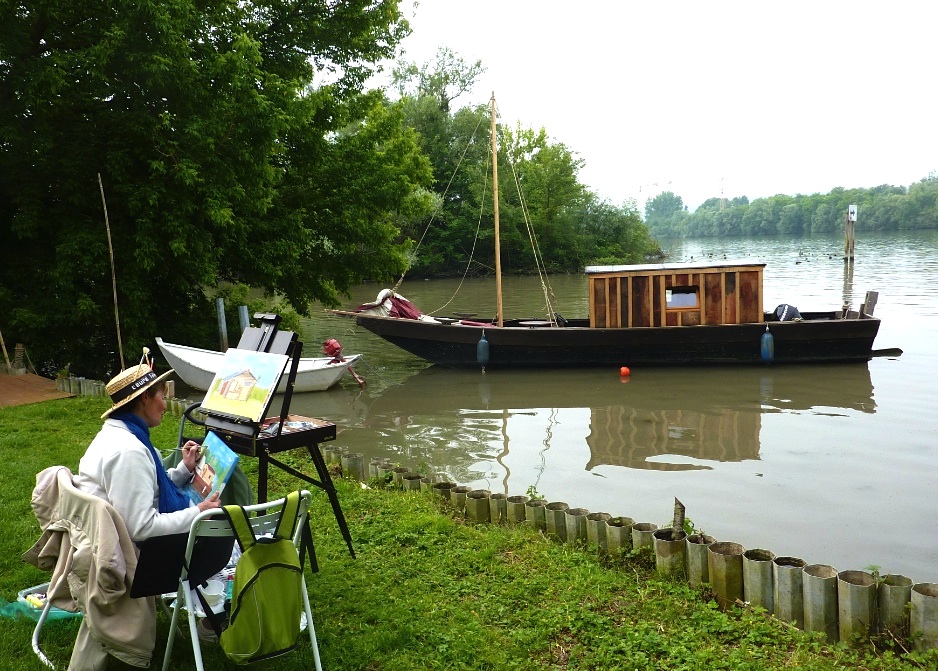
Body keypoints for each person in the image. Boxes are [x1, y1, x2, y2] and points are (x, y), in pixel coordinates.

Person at [68, 349, 222, 670]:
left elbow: (144, 488)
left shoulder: (122, 434)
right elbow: (141, 527)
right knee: (223, 538)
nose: (165, 404)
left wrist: (183, 470)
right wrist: (198, 513)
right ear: (142, 401)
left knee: (213, 523)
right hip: (137, 561)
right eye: (161, 396)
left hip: (107, 544)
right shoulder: (129, 451)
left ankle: (209, 617)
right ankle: (212, 624)